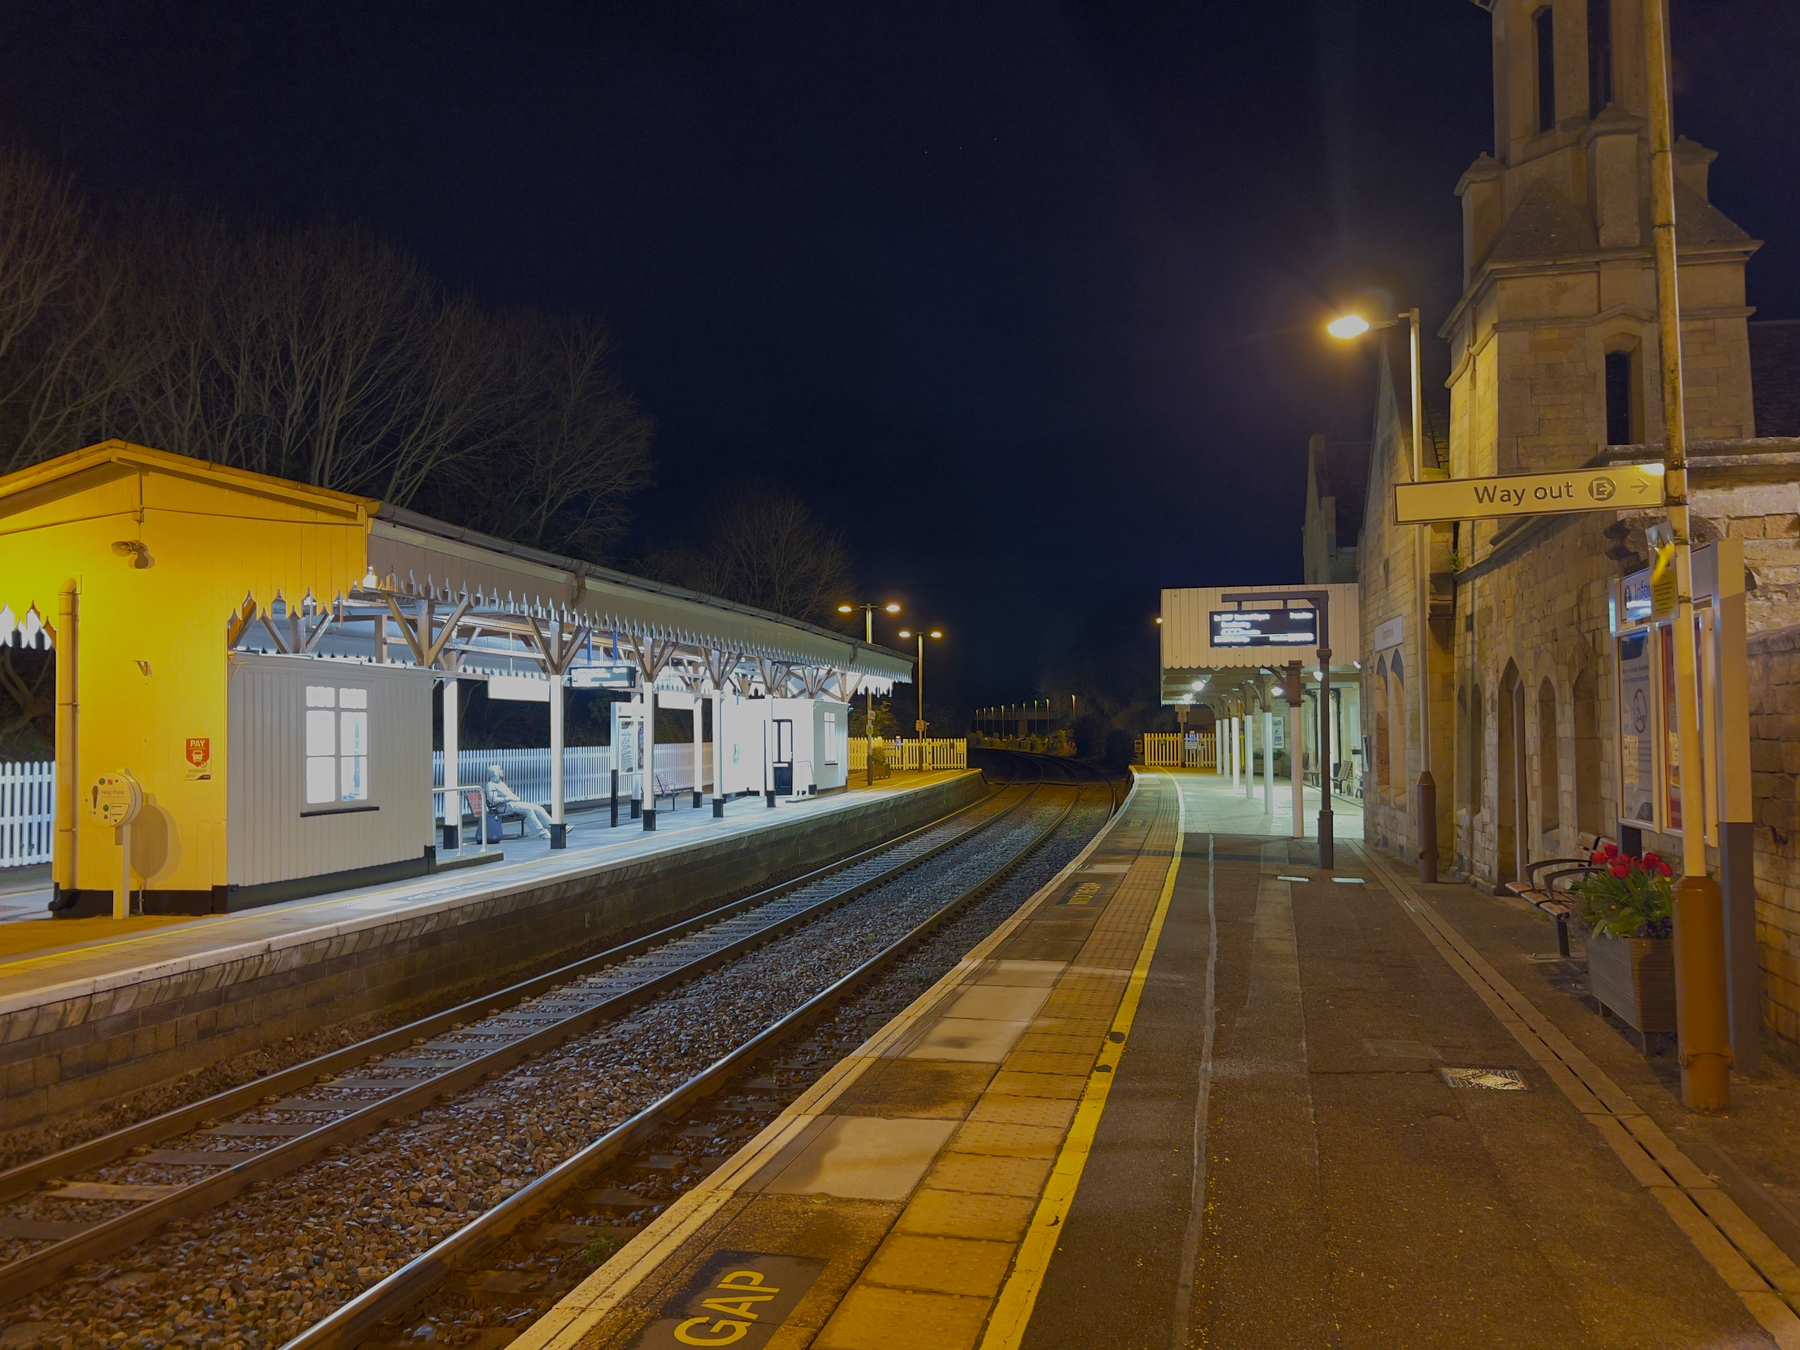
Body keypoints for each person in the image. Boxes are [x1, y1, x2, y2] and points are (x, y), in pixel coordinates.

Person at [484, 765, 553, 839]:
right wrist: (508, 798)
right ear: (495, 772)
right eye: (500, 770)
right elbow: (493, 800)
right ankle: (541, 833)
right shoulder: (490, 785)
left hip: (513, 803)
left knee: (539, 808)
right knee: (528, 810)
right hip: (505, 806)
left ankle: (554, 826)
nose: (502, 771)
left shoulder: (501, 783)